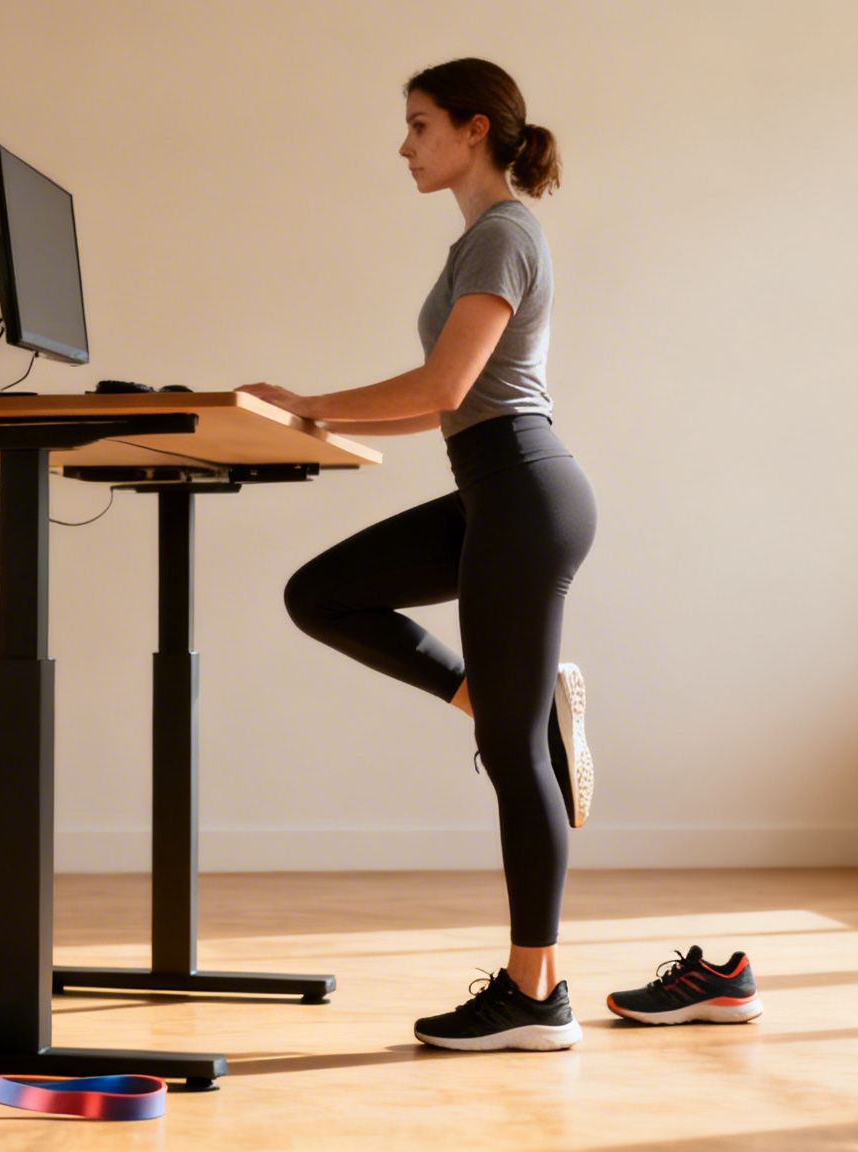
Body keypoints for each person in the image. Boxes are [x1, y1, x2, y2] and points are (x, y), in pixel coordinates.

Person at [238, 58, 596, 1052]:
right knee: (322, 593)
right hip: (495, 490)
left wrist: (312, 403)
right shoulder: (480, 239)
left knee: (514, 757)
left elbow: (445, 385)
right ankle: (500, 700)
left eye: (420, 124)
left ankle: (536, 994)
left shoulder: (505, 234)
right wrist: (313, 418)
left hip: (523, 492)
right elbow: (445, 401)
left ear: (474, 129)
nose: (404, 145)